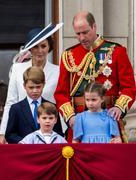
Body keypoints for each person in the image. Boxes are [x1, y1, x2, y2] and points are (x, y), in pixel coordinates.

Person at [54, 11, 135, 142]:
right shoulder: (69, 55)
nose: (81, 38)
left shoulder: (116, 51)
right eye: (78, 34)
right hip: (79, 123)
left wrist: (119, 107)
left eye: (85, 32)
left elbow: (129, 87)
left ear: (94, 27)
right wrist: (70, 117)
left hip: (108, 120)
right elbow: (61, 94)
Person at [0, 23, 63, 144]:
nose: (39, 51)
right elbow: (10, 102)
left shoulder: (58, 71)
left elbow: (60, 102)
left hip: (49, 133)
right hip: (22, 132)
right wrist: (2, 133)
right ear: (30, 48)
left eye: (43, 46)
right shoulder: (17, 69)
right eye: (35, 47)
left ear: (49, 47)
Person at [5, 67, 63, 144]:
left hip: (46, 151)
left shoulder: (52, 107)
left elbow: (58, 132)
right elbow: (10, 135)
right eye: (31, 87)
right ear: (24, 86)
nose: (35, 91)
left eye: (38, 87)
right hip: (25, 152)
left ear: (44, 84)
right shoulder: (16, 108)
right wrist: (24, 142)